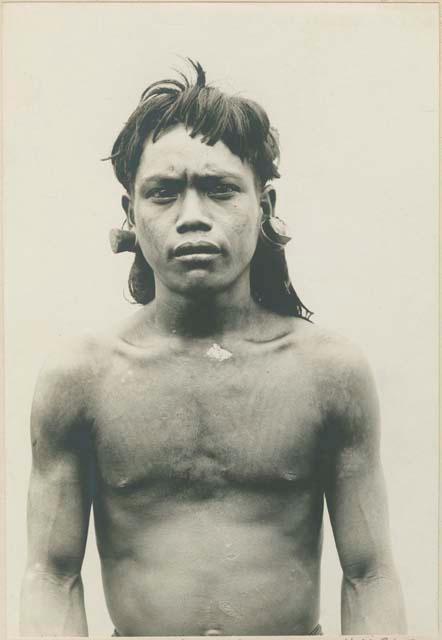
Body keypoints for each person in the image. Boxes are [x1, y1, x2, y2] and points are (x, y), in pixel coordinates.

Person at [20, 60, 406, 637]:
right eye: (164, 193)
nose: (193, 218)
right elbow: (51, 576)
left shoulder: (329, 373)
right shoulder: (83, 378)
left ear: (265, 206)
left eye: (221, 189)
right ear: (130, 214)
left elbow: (369, 574)